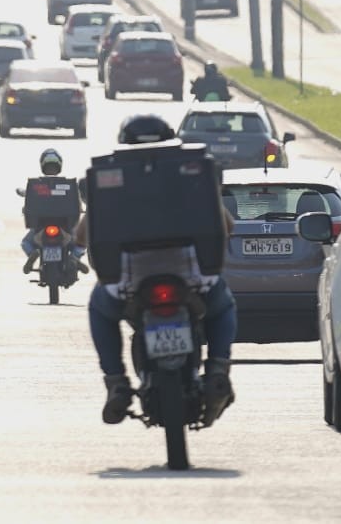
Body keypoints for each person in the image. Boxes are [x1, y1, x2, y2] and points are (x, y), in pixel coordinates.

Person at [78, 113, 237, 425]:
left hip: (128, 281)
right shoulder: (190, 176)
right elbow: (227, 226)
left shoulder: (114, 179)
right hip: (192, 277)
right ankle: (218, 369)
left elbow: (83, 236)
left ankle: (116, 383)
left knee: (100, 309)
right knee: (223, 305)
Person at [20, 148, 86, 273]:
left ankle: (33, 254)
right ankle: (74, 258)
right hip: (66, 225)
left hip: (41, 226)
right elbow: (77, 201)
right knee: (81, 242)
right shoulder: (69, 186)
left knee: (26, 243)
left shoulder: (37, 186)